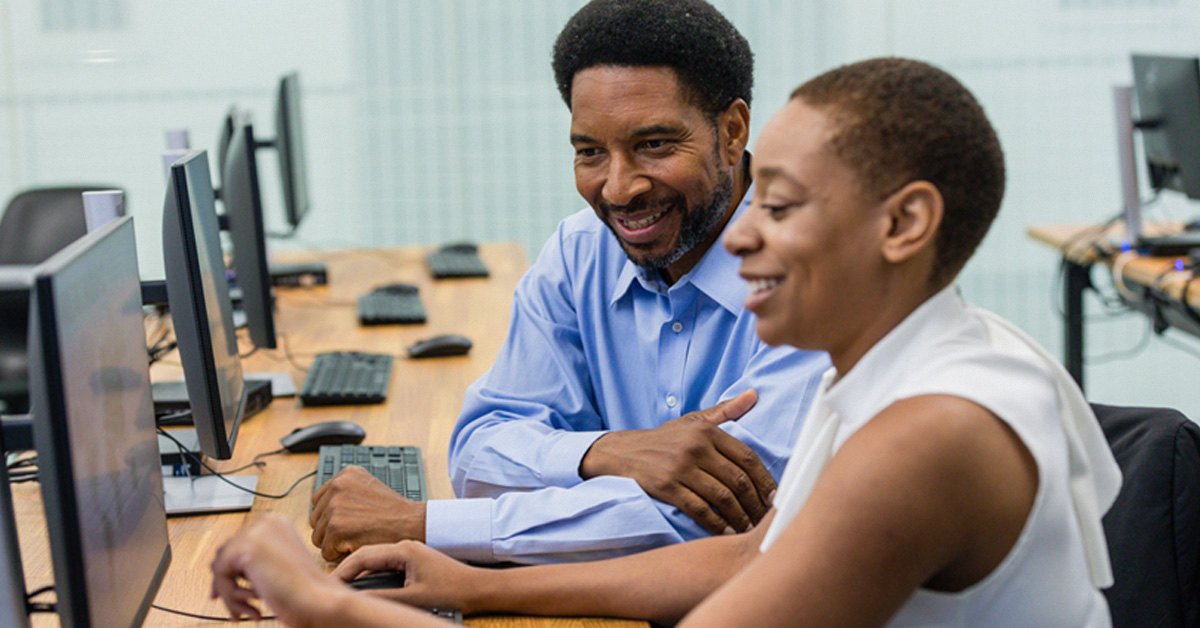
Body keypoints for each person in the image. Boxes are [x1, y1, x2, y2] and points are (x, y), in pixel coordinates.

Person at [211, 57, 1122, 627]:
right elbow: (744, 556)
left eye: (781, 205)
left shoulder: (931, 435)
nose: (741, 236)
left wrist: (322, 603)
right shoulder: (906, 368)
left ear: (904, 225)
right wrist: (471, 582)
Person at [308, 0, 828, 565]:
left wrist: (422, 525)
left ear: (732, 133)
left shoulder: (814, 276)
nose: (619, 189)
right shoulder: (582, 250)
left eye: (654, 145)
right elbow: (479, 455)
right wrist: (610, 453)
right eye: (591, 153)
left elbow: (717, 524)